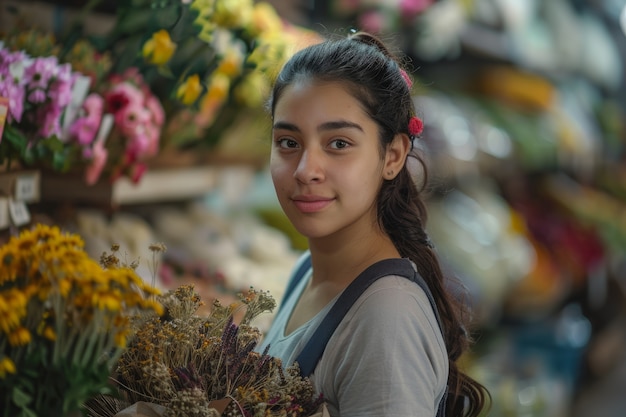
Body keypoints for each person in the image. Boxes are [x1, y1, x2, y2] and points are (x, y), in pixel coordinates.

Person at [258, 31, 489, 417]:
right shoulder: (306, 271)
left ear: (393, 156)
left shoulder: (386, 320)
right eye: (287, 142)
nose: (305, 170)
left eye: (339, 144)